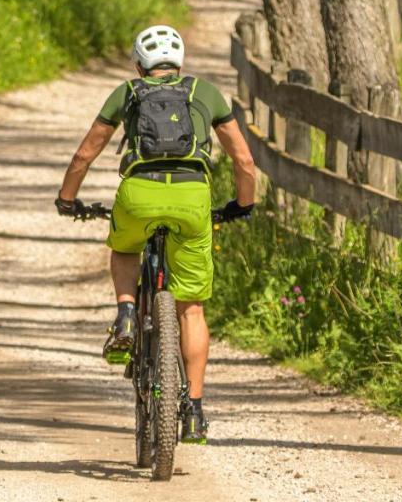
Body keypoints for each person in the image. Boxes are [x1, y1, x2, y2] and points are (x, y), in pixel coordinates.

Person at [54, 25, 257, 443]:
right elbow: (245, 161)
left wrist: (67, 199)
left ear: (139, 64)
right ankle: (195, 410)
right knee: (192, 310)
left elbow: (85, 153)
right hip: (191, 198)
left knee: (125, 246)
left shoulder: (127, 93)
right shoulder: (207, 93)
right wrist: (243, 204)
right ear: (180, 62)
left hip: (138, 195)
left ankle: (127, 311)